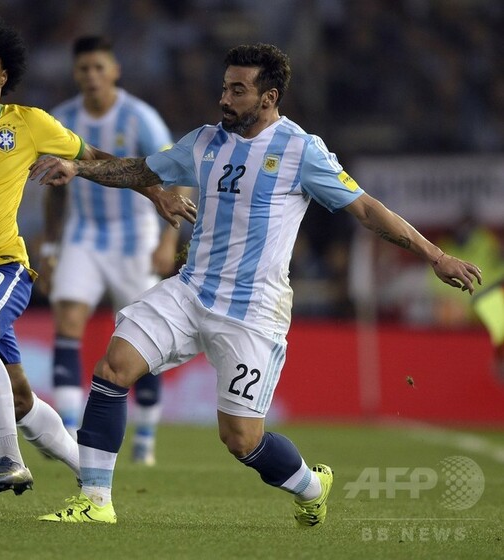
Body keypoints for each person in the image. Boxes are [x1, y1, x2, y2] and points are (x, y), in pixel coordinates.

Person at [30, 43, 482, 524]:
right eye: (225, 87)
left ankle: (312, 487)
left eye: (238, 90)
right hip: (190, 290)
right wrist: (79, 168)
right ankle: (96, 501)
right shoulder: (205, 141)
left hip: (252, 312)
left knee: (241, 439)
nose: (224, 99)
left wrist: (435, 256)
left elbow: (367, 209)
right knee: (113, 367)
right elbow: (141, 168)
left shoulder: (300, 150)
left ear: (269, 97)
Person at [0, 16, 196, 497]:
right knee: (19, 400)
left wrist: (157, 194)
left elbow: (97, 158)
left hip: (3, 265)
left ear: (3, 77)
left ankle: (9, 460)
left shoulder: (29, 123)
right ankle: (88, 473)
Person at [38, 35, 190, 465]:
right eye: (84, 69)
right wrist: (49, 246)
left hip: (135, 237)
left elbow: (177, 173)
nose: (92, 76)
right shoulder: (62, 119)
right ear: (75, 73)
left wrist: (168, 240)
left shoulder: (141, 117)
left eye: (99, 68)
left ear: (115, 71)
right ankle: (69, 432)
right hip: (83, 235)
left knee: (144, 338)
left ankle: (146, 438)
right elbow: (55, 191)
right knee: (68, 320)